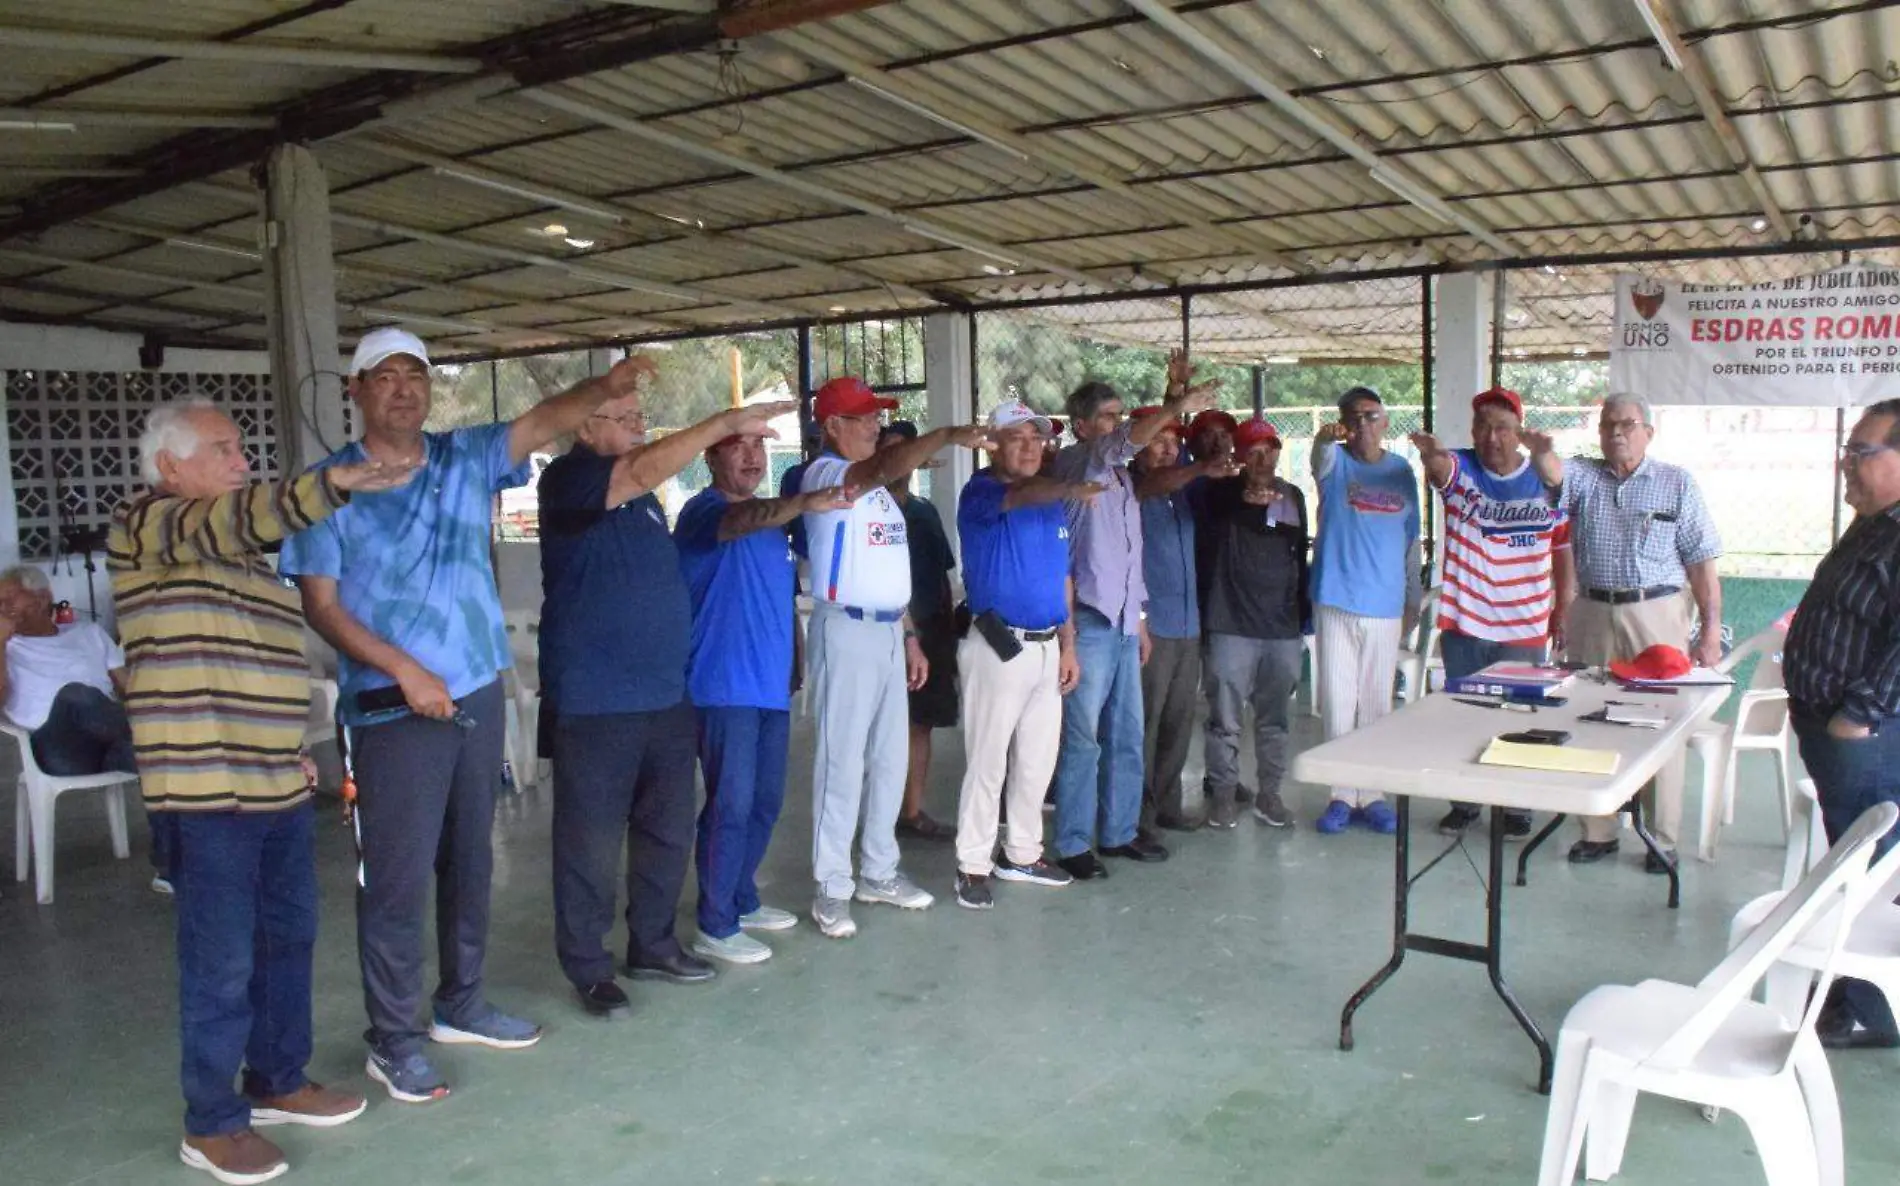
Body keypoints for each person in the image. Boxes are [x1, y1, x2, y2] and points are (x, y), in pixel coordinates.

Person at [281, 328, 649, 1101]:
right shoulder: (328, 486)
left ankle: (462, 1002)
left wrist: (605, 388)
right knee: (396, 878)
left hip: (475, 689)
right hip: (390, 707)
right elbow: (322, 605)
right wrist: (405, 669)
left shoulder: (461, 458)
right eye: (386, 377)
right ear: (356, 391)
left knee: (471, 860)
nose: (404, 388)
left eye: (416, 375)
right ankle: (393, 1037)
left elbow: (543, 420)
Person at [112, 397, 416, 1183]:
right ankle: (211, 1123)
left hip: (275, 782)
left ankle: (278, 1080)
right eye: (224, 449)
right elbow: (239, 516)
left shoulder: (248, 561)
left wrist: (293, 753)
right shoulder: (148, 526)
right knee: (219, 960)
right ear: (171, 466)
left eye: (242, 449)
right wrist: (341, 481)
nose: (243, 461)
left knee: (288, 942)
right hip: (203, 791)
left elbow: (263, 667)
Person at [538, 384, 799, 1014]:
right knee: (591, 842)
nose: (637, 427)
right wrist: (723, 424)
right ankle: (589, 966)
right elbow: (639, 470)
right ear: (583, 428)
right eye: (623, 419)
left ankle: (652, 943)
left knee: (665, 832)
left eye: (640, 417)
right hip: (598, 700)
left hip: (664, 694)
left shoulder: (646, 504)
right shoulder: (569, 483)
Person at [799, 376, 989, 939]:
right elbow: (873, 470)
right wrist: (950, 434)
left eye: (875, 416)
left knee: (888, 758)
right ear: (832, 426)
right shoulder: (828, 475)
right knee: (841, 762)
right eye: (861, 418)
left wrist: (908, 636)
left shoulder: (880, 496)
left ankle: (878, 871)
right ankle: (832, 887)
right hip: (845, 631)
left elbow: (887, 574)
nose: (874, 425)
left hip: (885, 632)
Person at [675, 428, 854, 965]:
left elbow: (782, 600)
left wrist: (795, 666)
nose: (753, 457)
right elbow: (736, 522)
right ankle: (715, 921)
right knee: (730, 803)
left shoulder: (775, 529)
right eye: (739, 446)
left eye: (759, 446)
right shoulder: (702, 513)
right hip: (722, 683)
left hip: (770, 687)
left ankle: (741, 896)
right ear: (711, 456)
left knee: (765, 801)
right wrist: (802, 501)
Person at [1049, 353, 1215, 880]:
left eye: (1119, 415)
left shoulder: (1120, 480)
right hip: (1090, 623)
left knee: (1125, 734)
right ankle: (1074, 842)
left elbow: (1129, 555)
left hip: (1122, 623)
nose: (1116, 425)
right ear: (1081, 426)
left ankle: (1118, 832)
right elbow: (1126, 443)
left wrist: (1140, 618)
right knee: (1083, 739)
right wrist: (1177, 404)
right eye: (1105, 416)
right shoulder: (1081, 464)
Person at [1557, 393, 1723, 873]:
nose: (1617, 433)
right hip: (1591, 609)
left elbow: (1702, 564)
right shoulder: (1583, 478)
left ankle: (1661, 837)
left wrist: (1709, 631)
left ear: (1649, 432)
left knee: (1662, 723)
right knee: (1586, 717)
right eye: (1608, 424)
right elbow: (1547, 478)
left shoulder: (1677, 484)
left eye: (1628, 424)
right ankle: (1598, 830)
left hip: (1658, 613)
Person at [1784, 397, 1900, 1050]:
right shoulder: (1875, 522)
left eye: (1861, 452)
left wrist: (1858, 715)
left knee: (1869, 865)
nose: (1846, 464)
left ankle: (1867, 1010)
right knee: (1852, 855)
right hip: (1835, 731)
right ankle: (1850, 987)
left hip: (1867, 739)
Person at [951, 401, 1101, 909]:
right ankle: (972, 863)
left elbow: (1062, 579)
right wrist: (1070, 487)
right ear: (992, 443)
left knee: (1036, 762)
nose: (1032, 447)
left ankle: (1022, 852)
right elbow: (1020, 493)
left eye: (1038, 439)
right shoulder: (983, 492)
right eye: (1018, 438)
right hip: (998, 643)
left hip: (1043, 647)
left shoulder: (1050, 503)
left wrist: (1069, 644)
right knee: (988, 762)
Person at [1410, 388, 1568, 840]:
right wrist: (1432, 455)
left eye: (1502, 427)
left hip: (1524, 623)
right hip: (1466, 622)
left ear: (1518, 433)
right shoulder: (1462, 467)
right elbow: (1442, 471)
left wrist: (1564, 605)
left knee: (1520, 718)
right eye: (1482, 426)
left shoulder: (1544, 478)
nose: (1491, 436)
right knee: (1465, 716)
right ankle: (1465, 803)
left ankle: (1517, 807)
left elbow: (1562, 545)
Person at [0, 565, 171, 888]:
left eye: (10, 598)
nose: (3, 608)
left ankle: (171, 867)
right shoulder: (6, 647)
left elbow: (128, 690)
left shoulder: (88, 633)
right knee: (77, 695)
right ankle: (161, 740)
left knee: (159, 762)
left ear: (43, 598)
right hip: (56, 751)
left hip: (110, 743)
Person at [1309, 386, 1422, 835]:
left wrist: (1413, 598)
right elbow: (1319, 460)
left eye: (1371, 416)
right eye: (1353, 418)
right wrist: (1322, 438)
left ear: (1386, 421)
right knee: (1338, 701)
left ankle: (1372, 794)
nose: (1362, 426)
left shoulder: (1400, 471)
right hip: (1337, 598)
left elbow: (1411, 539)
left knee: (1376, 703)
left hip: (1384, 603)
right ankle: (1340, 795)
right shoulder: (1336, 464)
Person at [1193, 418, 1311, 831]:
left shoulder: (1292, 496)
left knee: (1275, 719)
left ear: (1279, 452)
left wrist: (1302, 618)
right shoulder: (1218, 492)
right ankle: (1224, 795)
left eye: (1269, 449)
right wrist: (1245, 500)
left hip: (1281, 627)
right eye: (1252, 450)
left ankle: (1269, 795)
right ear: (1239, 455)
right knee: (1224, 719)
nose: (1262, 458)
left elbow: (1297, 551)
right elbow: (1215, 519)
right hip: (1230, 624)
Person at [1129, 407, 1241, 831]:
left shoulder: (1183, 491)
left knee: (1178, 721)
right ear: (1137, 448)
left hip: (1187, 624)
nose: (1168, 448)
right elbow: (1162, 479)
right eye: (1158, 441)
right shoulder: (1137, 484)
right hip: (1150, 627)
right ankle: (1134, 814)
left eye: (1174, 441)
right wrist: (1198, 469)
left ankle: (1166, 807)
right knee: (1145, 723)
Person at [877, 420, 959, 843]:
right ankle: (880, 816)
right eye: (889, 448)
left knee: (920, 724)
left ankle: (912, 810)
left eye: (905, 449)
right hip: (887, 632)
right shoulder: (868, 509)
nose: (900, 458)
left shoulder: (924, 511)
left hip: (931, 633)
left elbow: (942, 573)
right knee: (884, 727)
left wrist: (946, 631)